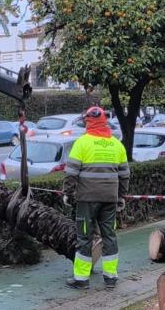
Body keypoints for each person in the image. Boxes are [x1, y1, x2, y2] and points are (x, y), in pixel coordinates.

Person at [62, 106, 129, 289]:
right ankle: (111, 278)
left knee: (84, 237)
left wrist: (68, 194)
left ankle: (81, 279)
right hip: (110, 199)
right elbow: (125, 174)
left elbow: (71, 173)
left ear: (88, 122)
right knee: (109, 236)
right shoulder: (116, 144)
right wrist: (121, 196)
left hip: (87, 200)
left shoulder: (82, 143)